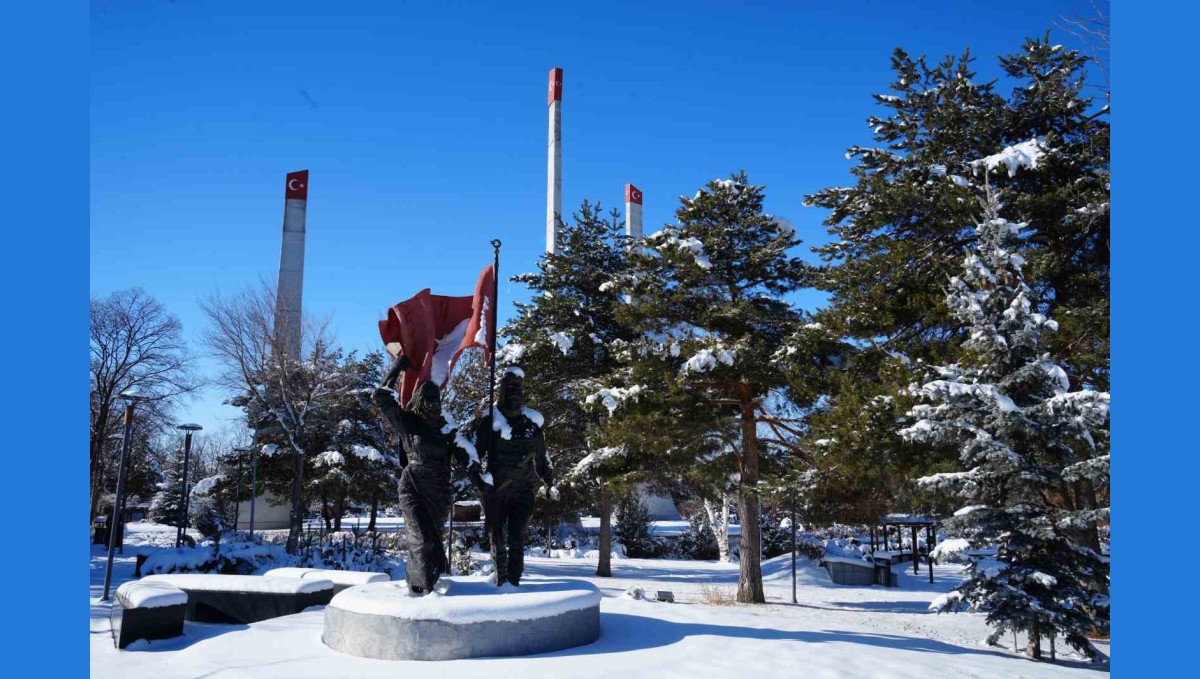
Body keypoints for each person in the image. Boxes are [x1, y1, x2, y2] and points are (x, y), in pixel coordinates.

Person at [372, 354, 488, 594]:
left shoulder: (446, 428)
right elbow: (380, 397)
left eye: (436, 398)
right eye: (428, 398)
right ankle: (421, 587)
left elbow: (466, 454)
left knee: (433, 540)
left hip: (439, 489)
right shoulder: (408, 422)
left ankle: (427, 586)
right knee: (421, 539)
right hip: (413, 486)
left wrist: (482, 481)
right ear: (419, 400)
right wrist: (396, 369)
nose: (433, 403)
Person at [474, 368, 555, 586]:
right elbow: (474, 456)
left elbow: (541, 458)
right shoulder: (489, 422)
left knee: (517, 540)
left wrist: (549, 482)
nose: (514, 393)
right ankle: (501, 583)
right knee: (497, 540)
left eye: (518, 389)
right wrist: (479, 481)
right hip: (497, 492)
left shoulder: (531, 425)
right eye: (509, 389)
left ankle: (514, 583)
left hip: (523, 491)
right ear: (501, 392)